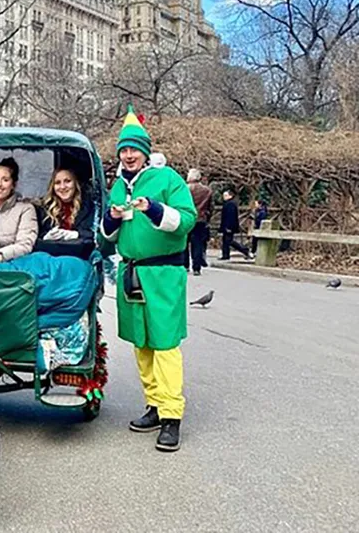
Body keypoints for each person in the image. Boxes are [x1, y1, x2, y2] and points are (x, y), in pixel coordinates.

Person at [102, 105, 196, 452]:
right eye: (123, 150)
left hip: (163, 272)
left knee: (165, 343)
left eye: (133, 149)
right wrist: (112, 218)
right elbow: (106, 235)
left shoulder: (168, 179)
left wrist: (153, 208)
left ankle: (172, 417)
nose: (128, 155)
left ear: (144, 152)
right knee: (141, 342)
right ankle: (155, 406)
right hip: (131, 271)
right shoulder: (116, 186)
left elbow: (187, 220)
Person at [35, 167, 95, 258]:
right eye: (57, 183)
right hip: (50, 256)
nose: (62, 187)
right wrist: (46, 238)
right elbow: (36, 237)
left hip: (79, 256)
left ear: (75, 183)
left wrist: (76, 234)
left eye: (67, 181)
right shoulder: (44, 208)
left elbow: (94, 234)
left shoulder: (88, 205)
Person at [185, 168, 213, 275]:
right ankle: (196, 267)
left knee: (184, 244)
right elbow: (210, 207)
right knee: (197, 244)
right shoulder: (207, 190)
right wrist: (207, 218)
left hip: (187, 218)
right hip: (201, 219)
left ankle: (185, 265)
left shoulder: (185, 189)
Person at [219, 190, 252, 260]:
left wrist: (229, 227)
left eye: (225, 195)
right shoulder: (228, 203)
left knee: (229, 241)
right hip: (227, 226)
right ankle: (225, 255)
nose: (224, 197)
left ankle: (244, 250)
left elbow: (230, 217)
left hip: (229, 226)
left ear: (230, 196)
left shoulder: (230, 204)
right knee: (225, 240)